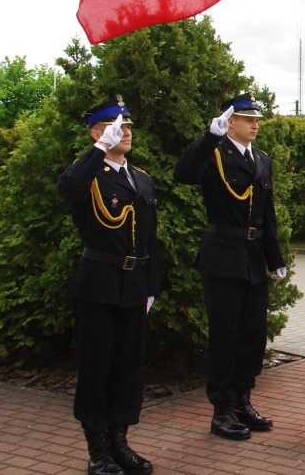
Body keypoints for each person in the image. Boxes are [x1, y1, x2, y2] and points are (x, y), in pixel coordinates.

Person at [173, 93, 287, 441]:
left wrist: (275, 258)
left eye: (257, 119)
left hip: (253, 256)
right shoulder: (215, 155)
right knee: (226, 335)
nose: (255, 124)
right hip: (223, 255)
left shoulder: (262, 161)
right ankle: (222, 410)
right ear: (230, 121)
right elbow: (182, 174)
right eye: (247, 118)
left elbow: (266, 215)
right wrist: (210, 136)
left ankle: (242, 400)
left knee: (253, 335)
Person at [57, 96, 159, 475]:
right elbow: (68, 189)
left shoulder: (142, 179)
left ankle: (120, 442)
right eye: (118, 126)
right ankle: (97, 448)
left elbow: (150, 238)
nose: (127, 131)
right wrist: (97, 149)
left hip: (134, 284)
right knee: (97, 366)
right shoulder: (88, 173)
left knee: (128, 368)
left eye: (129, 126)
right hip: (98, 284)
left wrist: (152, 285)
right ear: (98, 132)